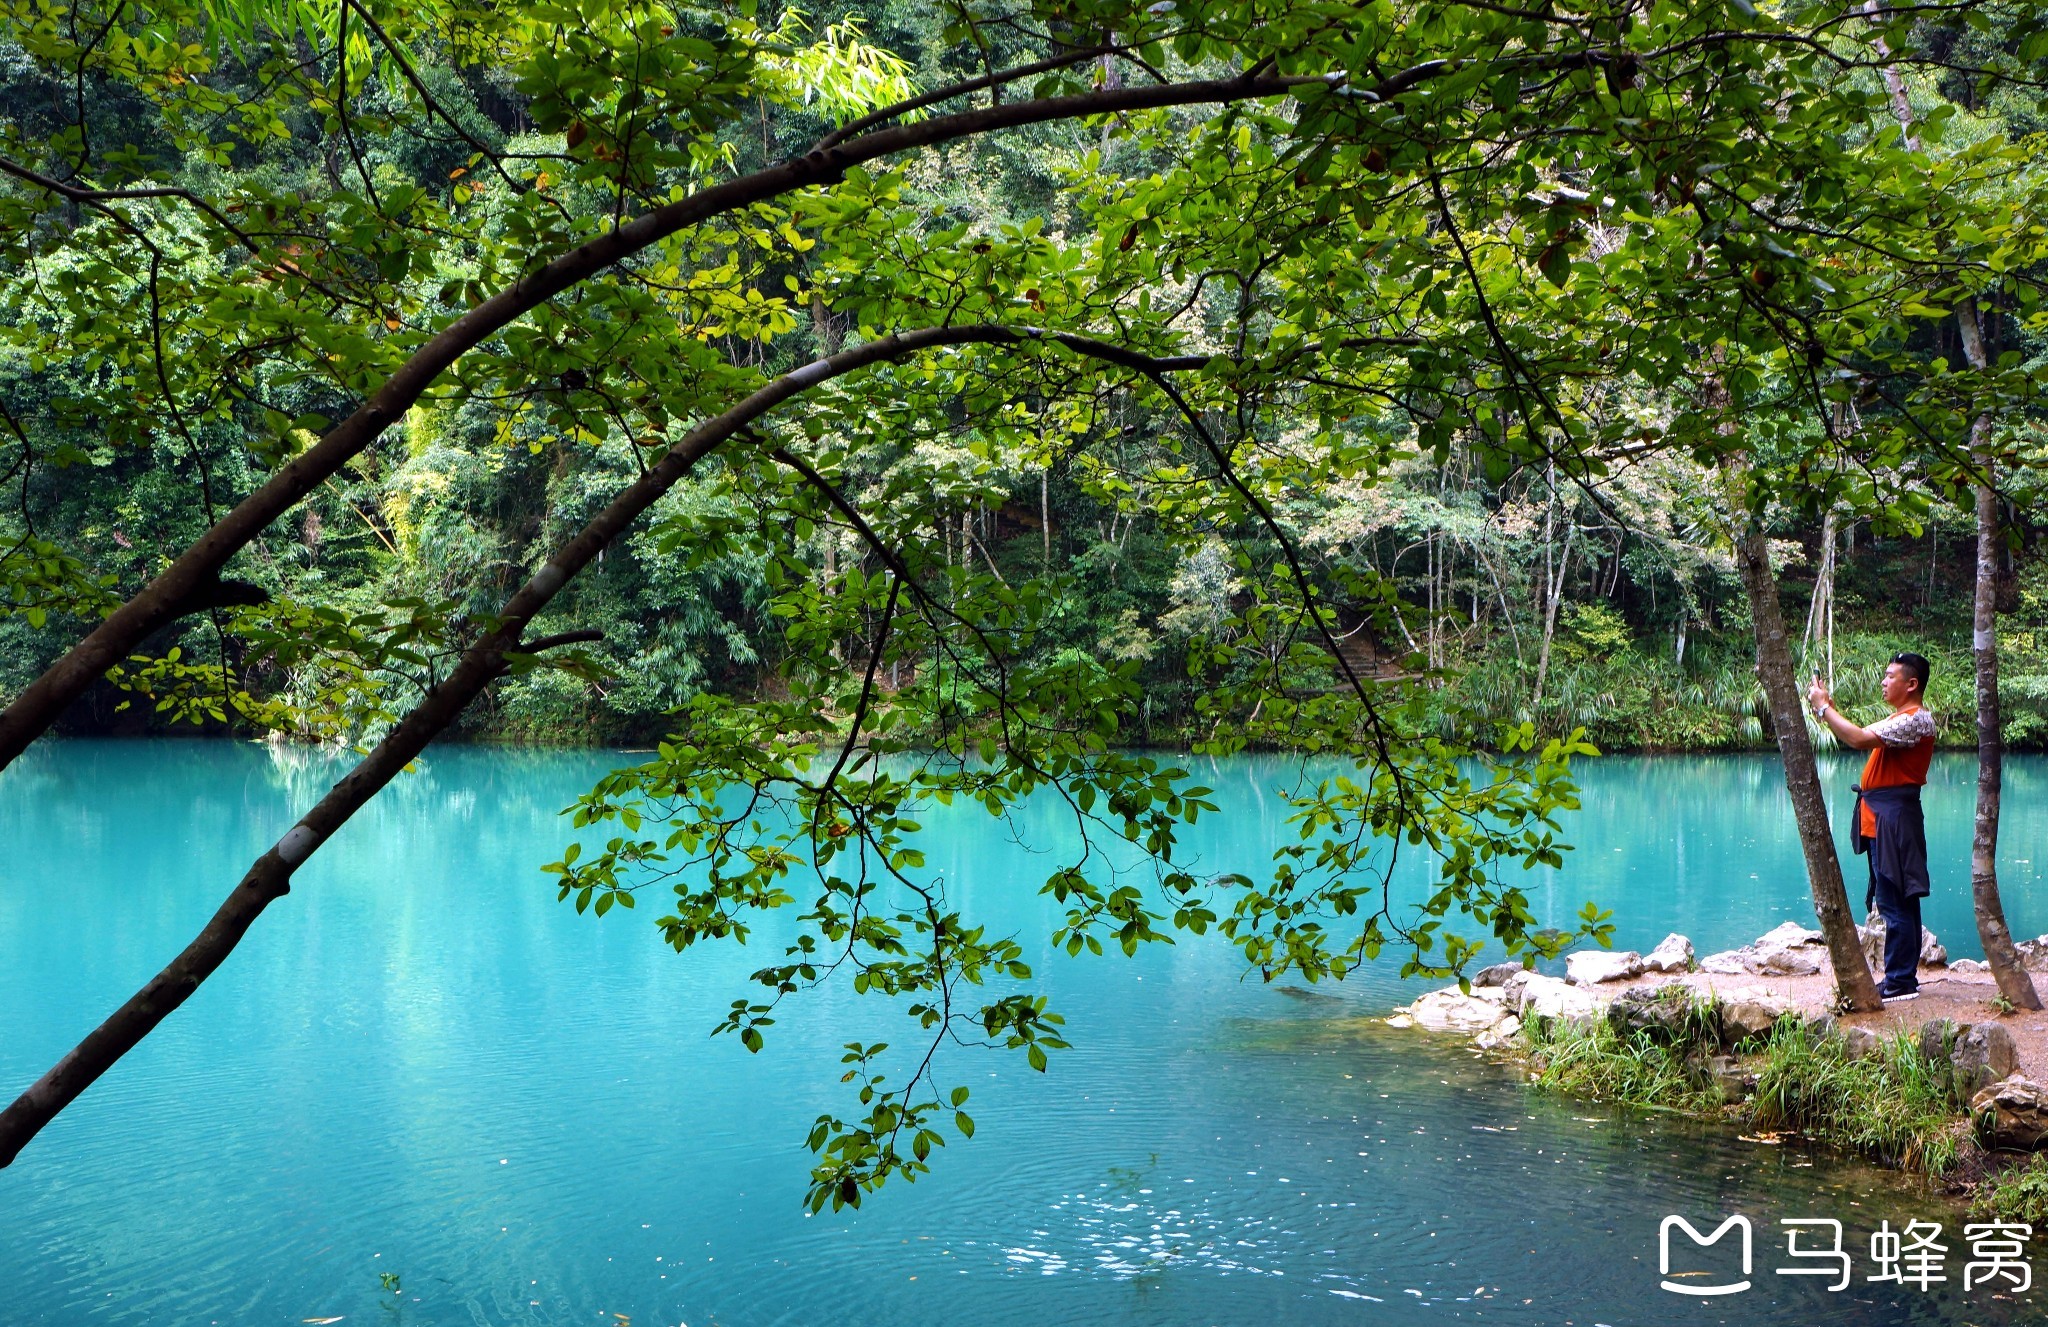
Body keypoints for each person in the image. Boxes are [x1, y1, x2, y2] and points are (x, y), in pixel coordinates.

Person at [1806, 653, 1936, 1002]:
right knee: (1896, 898)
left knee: (1894, 900)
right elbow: (1858, 734)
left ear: (1911, 684)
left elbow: (1859, 738)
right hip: (1885, 817)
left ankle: (1899, 981)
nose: (1883, 681)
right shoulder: (1902, 718)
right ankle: (1901, 977)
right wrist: (1827, 708)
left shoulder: (1916, 720)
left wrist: (1823, 709)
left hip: (1893, 819)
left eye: (1889, 675)